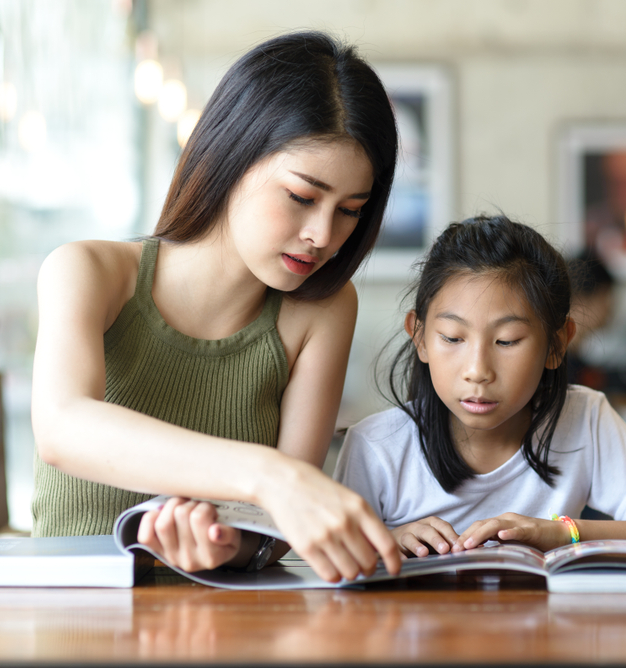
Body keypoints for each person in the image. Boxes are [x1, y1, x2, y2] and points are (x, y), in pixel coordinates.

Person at [30, 31, 402, 583]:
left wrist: (226, 546)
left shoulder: (323, 308)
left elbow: (278, 528)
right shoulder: (86, 271)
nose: (323, 235)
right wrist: (267, 475)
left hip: (224, 618)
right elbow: (62, 428)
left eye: (349, 211)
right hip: (69, 613)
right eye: (302, 197)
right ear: (232, 156)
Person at [334, 215, 626, 558]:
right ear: (419, 337)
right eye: (453, 338)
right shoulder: (376, 446)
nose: (477, 370)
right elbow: (328, 560)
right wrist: (387, 538)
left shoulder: (585, 420)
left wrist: (565, 533)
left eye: (506, 341)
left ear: (556, 345)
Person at [566, 249, 616, 391]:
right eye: (606, 297)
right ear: (582, 299)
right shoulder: (560, 365)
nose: (610, 308)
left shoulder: (573, 359)